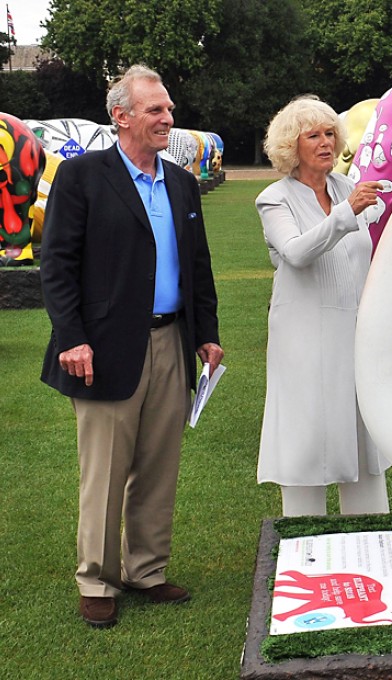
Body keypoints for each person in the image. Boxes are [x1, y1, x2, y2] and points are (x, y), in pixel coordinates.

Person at [39, 65, 223, 629]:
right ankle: (96, 578)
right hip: (101, 348)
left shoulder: (181, 183)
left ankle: (146, 570)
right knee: (106, 470)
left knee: (158, 465)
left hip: (171, 341)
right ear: (121, 117)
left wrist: (207, 334)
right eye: (155, 111)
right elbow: (58, 265)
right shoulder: (81, 177)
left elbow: (197, 267)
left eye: (168, 109)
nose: (168, 119)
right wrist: (72, 337)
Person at [256, 96, 389, 517]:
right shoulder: (273, 199)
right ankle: (303, 537)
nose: (325, 142)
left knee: (362, 433)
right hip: (303, 337)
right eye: (313, 135)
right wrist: (347, 214)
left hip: (355, 332)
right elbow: (296, 252)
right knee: (306, 436)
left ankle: (371, 531)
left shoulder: (349, 189)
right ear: (290, 146)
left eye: (330, 133)